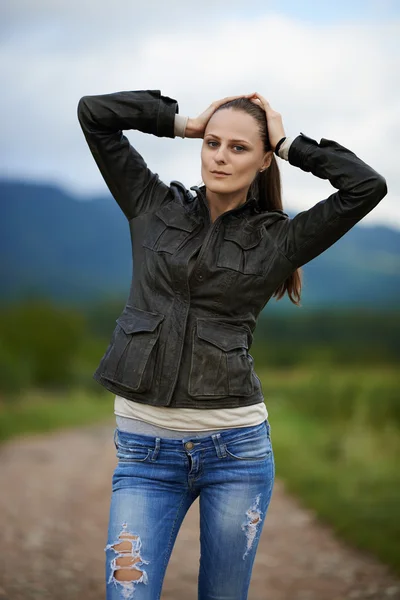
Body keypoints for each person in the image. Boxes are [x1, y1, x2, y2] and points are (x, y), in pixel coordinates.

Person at [77, 89, 387, 600]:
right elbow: (94, 114)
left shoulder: (279, 240)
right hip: (144, 454)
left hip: (235, 452)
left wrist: (290, 144)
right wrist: (184, 122)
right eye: (213, 143)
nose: (220, 155)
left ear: (264, 159)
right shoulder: (152, 204)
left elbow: (365, 186)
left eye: (239, 148)